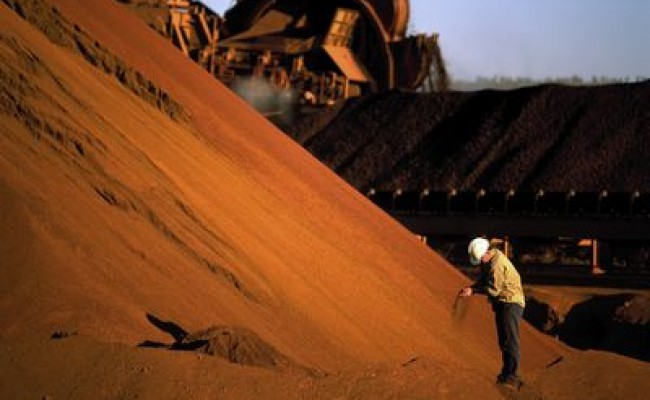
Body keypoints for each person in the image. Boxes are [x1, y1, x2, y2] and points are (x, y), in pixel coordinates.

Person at [458, 237, 526, 389]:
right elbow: (484, 280)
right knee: (504, 341)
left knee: (510, 340)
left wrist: (474, 290)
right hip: (502, 302)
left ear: (486, 253)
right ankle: (507, 373)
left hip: (511, 302)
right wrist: (471, 288)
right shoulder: (488, 260)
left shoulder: (497, 264)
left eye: (480, 259)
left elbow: (494, 289)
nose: (480, 262)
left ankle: (512, 376)